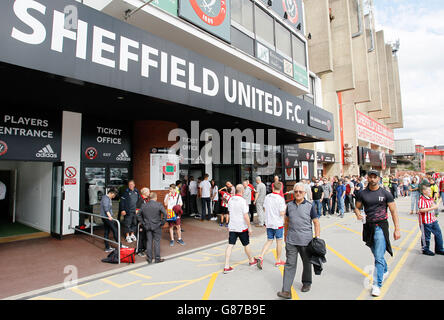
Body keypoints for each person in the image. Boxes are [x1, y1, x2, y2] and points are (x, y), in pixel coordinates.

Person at [354, 170, 401, 297]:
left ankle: (377, 285)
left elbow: (393, 211)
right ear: (367, 178)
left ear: (379, 179)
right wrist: (358, 214)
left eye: (375, 177)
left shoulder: (386, 193)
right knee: (376, 253)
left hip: (381, 226)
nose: (373, 179)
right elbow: (357, 207)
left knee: (379, 256)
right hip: (368, 227)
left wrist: (397, 229)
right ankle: (384, 269)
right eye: (371, 177)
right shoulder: (362, 194)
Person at [277, 183, 320, 299]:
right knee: (290, 264)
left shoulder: (310, 206)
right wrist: (285, 236)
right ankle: (286, 290)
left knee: (307, 263)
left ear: (305, 193)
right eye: (296, 191)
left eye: (300, 192)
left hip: (306, 241)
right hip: (291, 240)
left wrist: (317, 238)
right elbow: (286, 222)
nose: (298, 194)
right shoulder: (289, 205)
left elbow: (316, 222)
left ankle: (306, 282)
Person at [223, 184, 258, 273]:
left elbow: (230, 212)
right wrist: (249, 227)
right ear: (242, 191)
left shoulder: (230, 199)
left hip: (233, 226)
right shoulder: (243, 201)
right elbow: (246, 216)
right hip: (242, 227)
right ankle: (251, 260)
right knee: (246, 244)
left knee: (230, 245)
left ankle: (226, 266)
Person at [256, 182, 287, 269]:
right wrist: (286, 209)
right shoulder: (280, 199)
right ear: (281, 189)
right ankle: (278, 260)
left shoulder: (267, 197)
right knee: (279, 241)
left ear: (273, 188)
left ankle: (261, 256)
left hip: (269, 222)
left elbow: (265, 209)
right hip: (278, 223)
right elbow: (281, 213)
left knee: (269, 240)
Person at [138, 192, 167, 263]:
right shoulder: (159, 205)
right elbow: (165, 214)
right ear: (156, 197)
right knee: (157, 242)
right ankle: (157, 258)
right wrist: (162, 223)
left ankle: (149, 258)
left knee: (149, 242)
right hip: (157, 225)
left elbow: (138, 215)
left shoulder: (144, 205)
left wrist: (143, 223)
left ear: (149, 198)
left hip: (147, 226)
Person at [417, 185, 444, 256]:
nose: (430, 191)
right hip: (425, 221)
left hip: (432, 219)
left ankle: (439, 249)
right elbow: (421, 210)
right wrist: (432, 208)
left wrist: (434, 206)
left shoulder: (430, 198)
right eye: (428, 190)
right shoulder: (422, 199)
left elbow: (433, 205)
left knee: (438, 233)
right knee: (426, 236)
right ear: (424, 191)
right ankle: (425, 249)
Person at [100, 188, 126, 252]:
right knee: (115, 230)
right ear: (111, 193)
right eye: (114, 195)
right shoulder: (106, 198)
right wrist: (110, 216)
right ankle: (120, 245)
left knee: (107, 231)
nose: (114, 196)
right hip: (107, 218)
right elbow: (106, 208)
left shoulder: (107, 198)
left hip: (106, 217)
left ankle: (107, 247)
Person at [135, 187, 150, 257]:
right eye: (148, 192)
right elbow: (137, 211)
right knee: (140, 236)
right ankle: (138, 250)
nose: (149, 193)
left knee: (145, 235)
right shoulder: (140, 200)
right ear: (145, 193)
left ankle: (144, 248)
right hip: (141, 222)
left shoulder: (146, 200)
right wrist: (140, 221)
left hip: (146, 221)